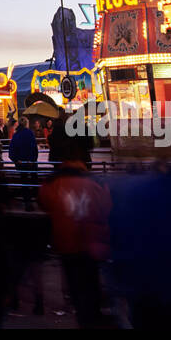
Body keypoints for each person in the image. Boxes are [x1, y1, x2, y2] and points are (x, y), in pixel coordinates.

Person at [39, 127, 111, 328]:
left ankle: (80, 313)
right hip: (91, 245)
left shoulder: (52, 183)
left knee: (75, 285)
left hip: (65, 243)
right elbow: (105, 208)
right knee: (91, 285)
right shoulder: (94, 182)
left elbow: (44, 203)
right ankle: (92, 315)